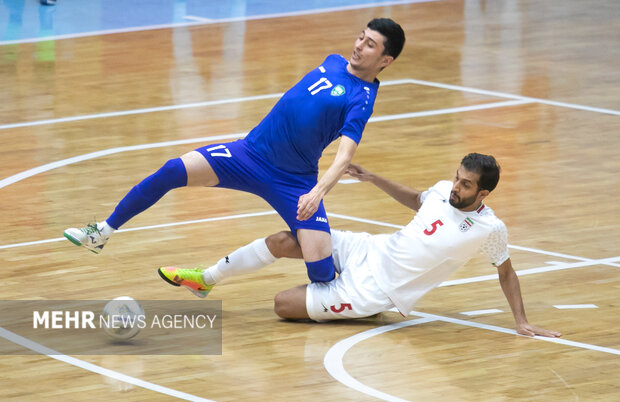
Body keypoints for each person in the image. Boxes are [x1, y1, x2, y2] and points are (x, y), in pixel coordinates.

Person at [64, 18, 406, 285]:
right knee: (171, 170)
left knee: (320, 269)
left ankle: (350, 294)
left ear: (386, 60)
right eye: (361, 37)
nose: (359, 45)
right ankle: (102, 233)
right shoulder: (332, 61)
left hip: (294, 181)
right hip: (248, 155)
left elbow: (344, 157)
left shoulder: (362, 99)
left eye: (370, 44)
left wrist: (316, 193)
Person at [159, 153, 561, 337]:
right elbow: (415, 199)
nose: (456, 187)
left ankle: (353, 308)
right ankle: (207, 278)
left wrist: (521, 321)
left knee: (282, 305)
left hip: (374, 289)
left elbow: (506, 272)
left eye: (466, 184)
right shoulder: (441, 191)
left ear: (484, 192)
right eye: (457, 178)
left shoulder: (490, 228)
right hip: (369, 248)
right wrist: (373, 177)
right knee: (285, 241)